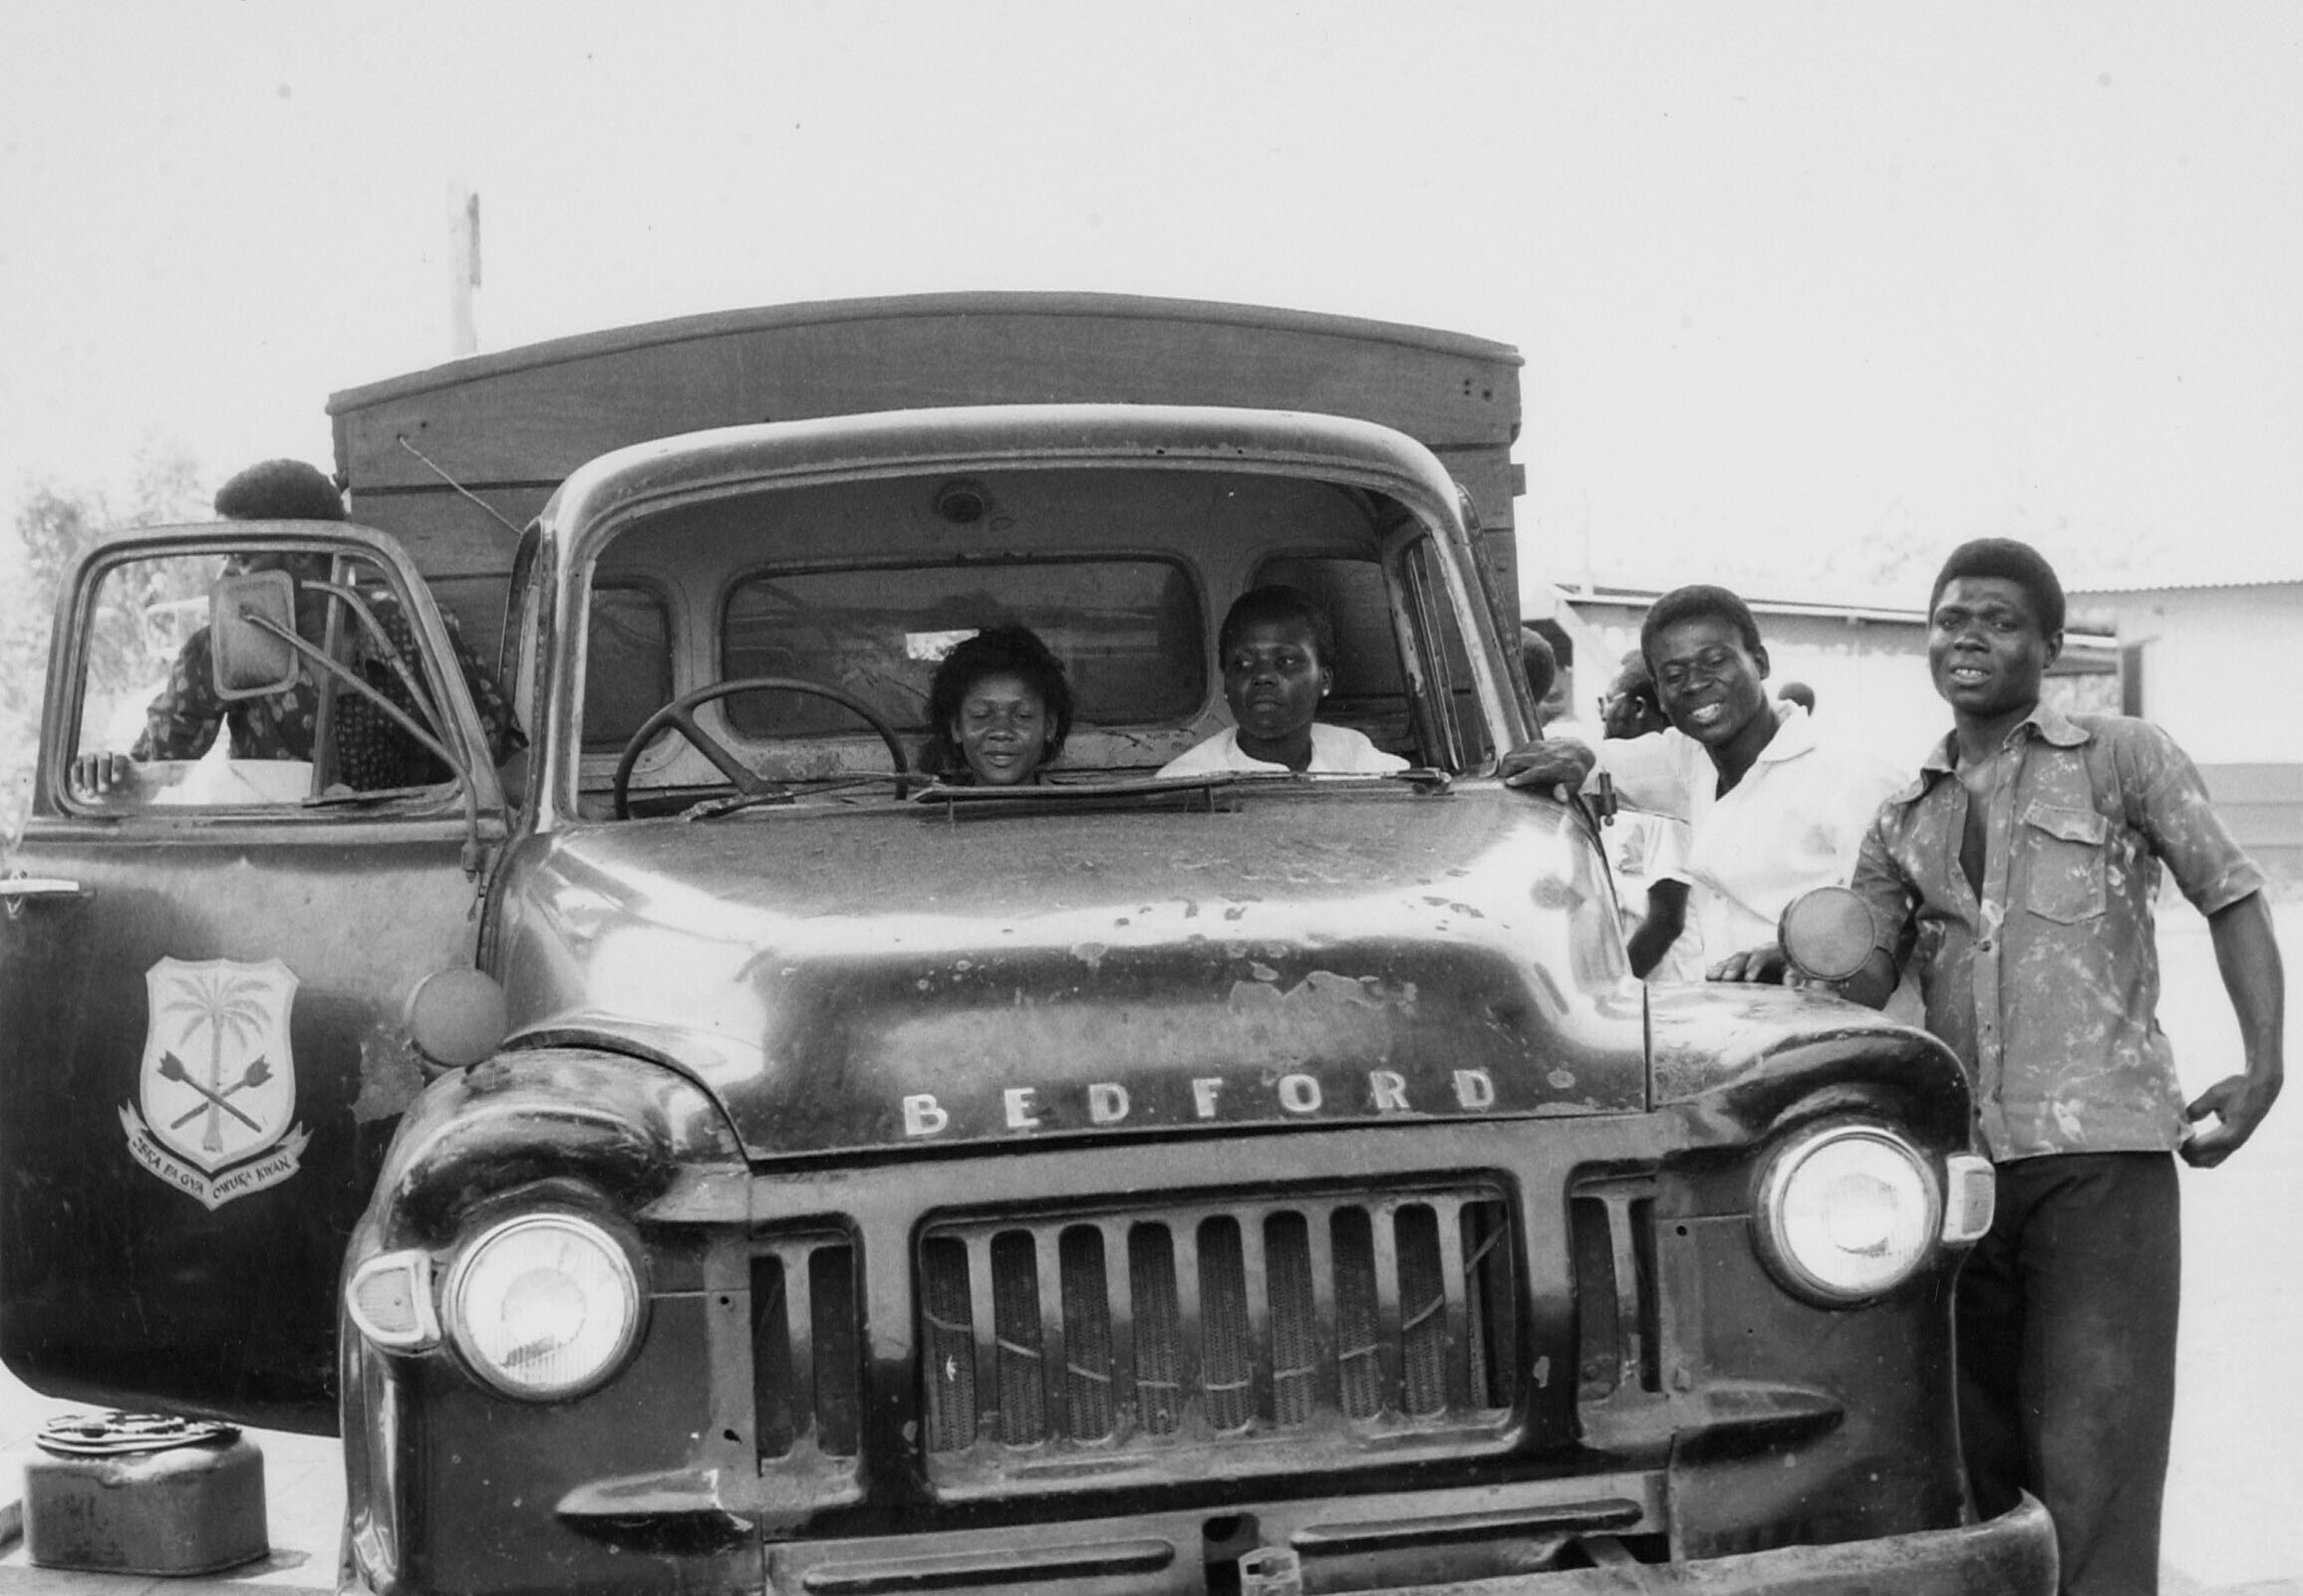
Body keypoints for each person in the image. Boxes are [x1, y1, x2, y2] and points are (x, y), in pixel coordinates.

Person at [1836, 538, 2283, 1596]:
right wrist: (1796, 954)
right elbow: (1864, 974)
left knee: (2098, 1466)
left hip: (2101, 1161)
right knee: (1977, 1470)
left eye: (1998, 622)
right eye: (1951, 620)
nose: (1968, 640)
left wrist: (2264, 1067)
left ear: (2048, 644)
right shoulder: (1903, 815)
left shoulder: (2122, 757)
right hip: (1964, 1174)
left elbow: (2230, 893)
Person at [1502, 584, 1906, 986]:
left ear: (1760, 662)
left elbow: (1882, 953)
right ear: (1660, 696)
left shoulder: (1852, 781)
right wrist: (1575, 755)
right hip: (1736, 1016)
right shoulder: (1691, 762)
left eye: (1714, 661)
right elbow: (1602, 762)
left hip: (1835, 1022)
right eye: (1674, 675)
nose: (1695, 683)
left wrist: (1798, 957)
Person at [74, 459, 522, 795]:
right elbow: (152, 765)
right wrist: (110, 773)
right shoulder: (219, 650)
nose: (225, 576)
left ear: (304, 553)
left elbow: (504, 762)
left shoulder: (410, 631)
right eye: (225, 558)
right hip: (283, 868)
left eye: (241, 558)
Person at [1159, 585, 1408, 776]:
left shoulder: (1354, 757)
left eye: (1286, 661)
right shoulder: (1186, 781)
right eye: (1243, 663)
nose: (1262, 676)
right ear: (1226, 684)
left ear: (1324, 680)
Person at [1596, 653, 1700, 980]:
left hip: (1666, 987)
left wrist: (1616, 986)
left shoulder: (1664, 794)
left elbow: (1666, 920)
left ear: (1638, 707)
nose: (1602, 713)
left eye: (1607, 702)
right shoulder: (1633, 782)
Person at [918, 623, 1074, 786]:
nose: (1001, 732)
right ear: (957, 727)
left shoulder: (1083, 802)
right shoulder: (929, 802)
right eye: (981, 715)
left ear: (1049, 726)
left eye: (1023, 716)